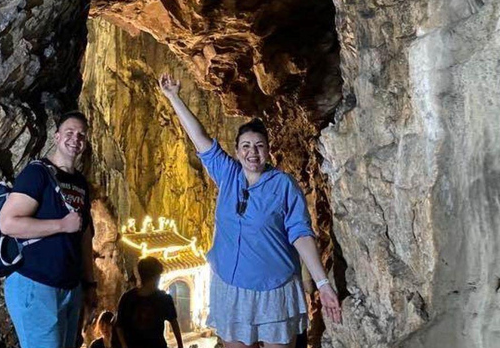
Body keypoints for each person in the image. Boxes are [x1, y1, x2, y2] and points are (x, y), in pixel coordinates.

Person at [158, 73, 342, 348]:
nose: (252, 152)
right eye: (246, 146)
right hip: (232, 288)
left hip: (274, 288)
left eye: (259, 146)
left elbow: (301, 234)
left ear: (268, 151)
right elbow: (200, 139)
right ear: (237, 150)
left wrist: (323, 282)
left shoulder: (283, 185)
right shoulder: (228, 174)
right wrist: (173, 96)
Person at [0, 111, 97, 348]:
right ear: (56, 137)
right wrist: (62, 225)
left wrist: (89, 285)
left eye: (81, 135)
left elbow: (83, 237)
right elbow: (8, 223)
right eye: (70, 133)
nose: (75, 139)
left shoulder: (80, 183)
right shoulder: (37, 174)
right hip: (36, 284)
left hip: (69, 288)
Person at [115, 257, 184, 348]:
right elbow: (174, 323)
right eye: (158, 276)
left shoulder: (127, 298)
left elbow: (119, 326)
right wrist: (180, 345)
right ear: (154, 277)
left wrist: (124, 345)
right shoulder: (164, 299)